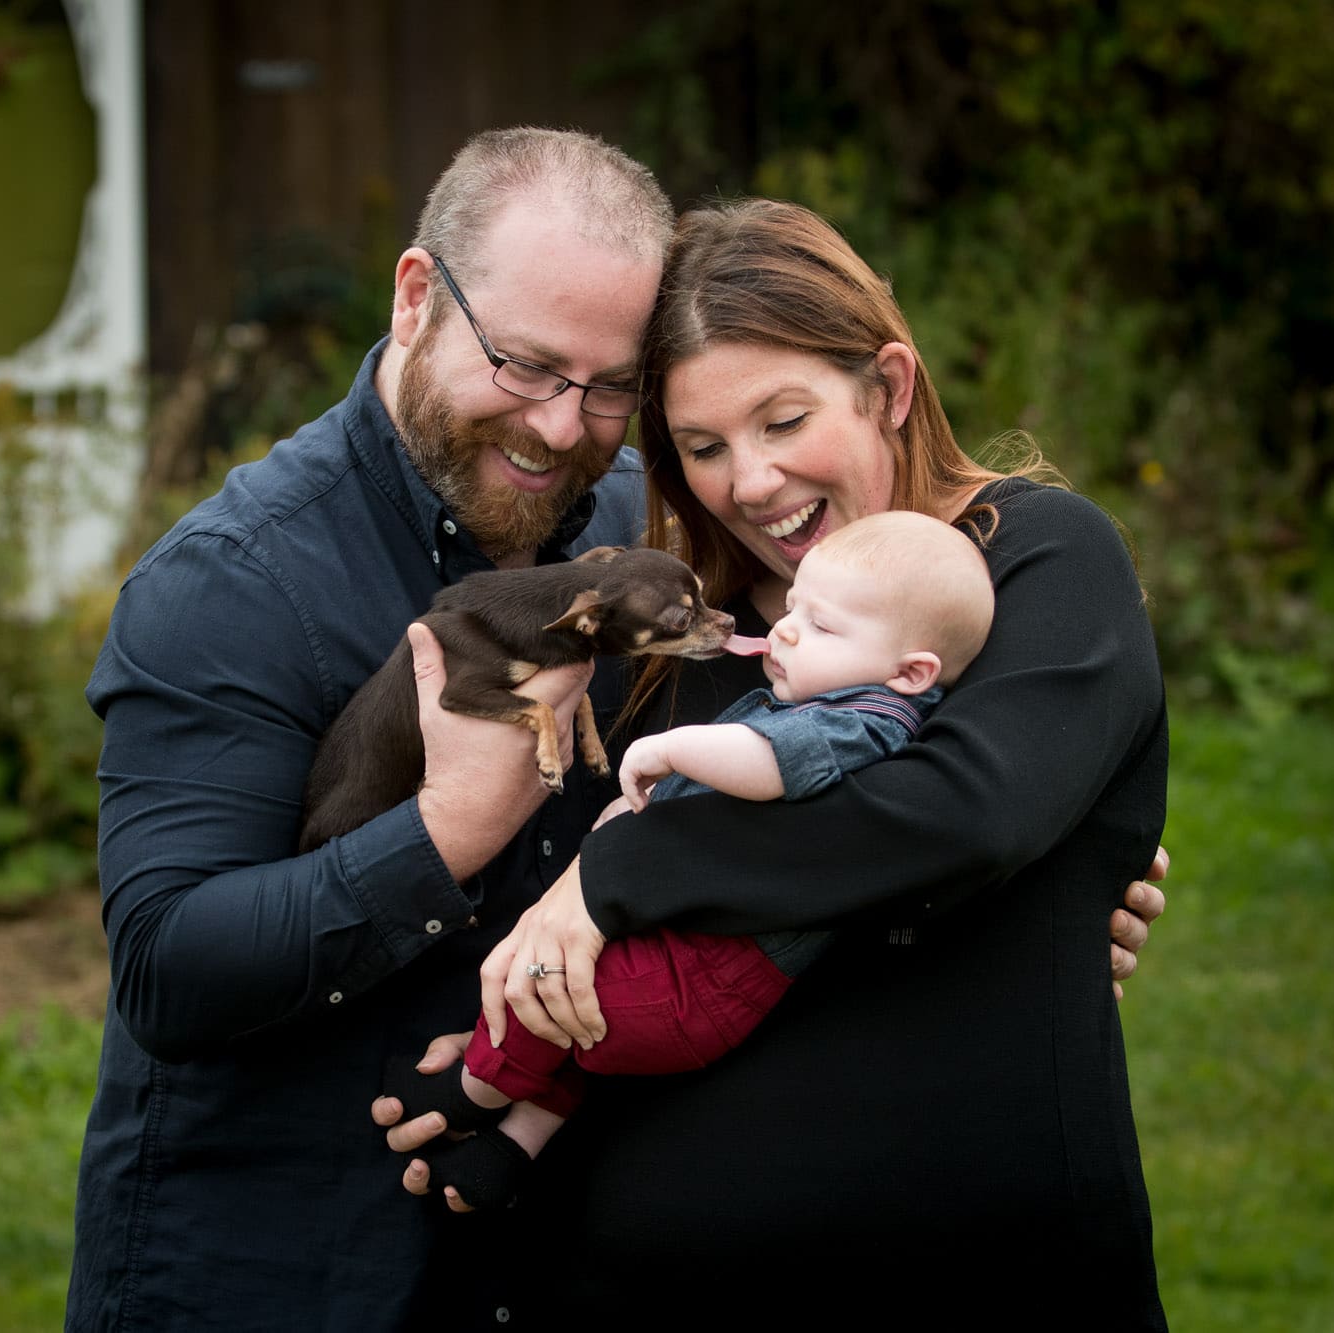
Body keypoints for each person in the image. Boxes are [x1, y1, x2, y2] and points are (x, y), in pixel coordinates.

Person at [71, 128, 1164, 1330]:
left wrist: (1036, 910)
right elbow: (171, 962)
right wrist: (454, 853)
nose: (557, 426)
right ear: (418, 296)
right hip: (290, 1259)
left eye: (603, 392)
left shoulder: (666, 569)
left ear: (888, 387)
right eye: (528, 367)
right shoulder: (241, 584)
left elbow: (917, 827)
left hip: (803, 1261)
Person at [384, 198, 1171, 1327]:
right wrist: (529, 1024)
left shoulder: (1036, 561)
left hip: (983, 1275)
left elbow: (958, 814)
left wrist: (615, 878)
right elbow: (614, 936)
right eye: (701, 447)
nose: (747, 482)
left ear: (888, 389)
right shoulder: (687, 641)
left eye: (782, 420)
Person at [395, 510, 995, 1211]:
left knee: (558, 996)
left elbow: (769, 762)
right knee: (588, 1027)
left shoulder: (863, 723)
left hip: (702, 975)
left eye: (822, 626)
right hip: (701, 978)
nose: (787, 629)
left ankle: (472, 1089)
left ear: (911, 671)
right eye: (794, 605)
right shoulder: (857, 706)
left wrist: (669, 750)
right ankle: (515, 1145)